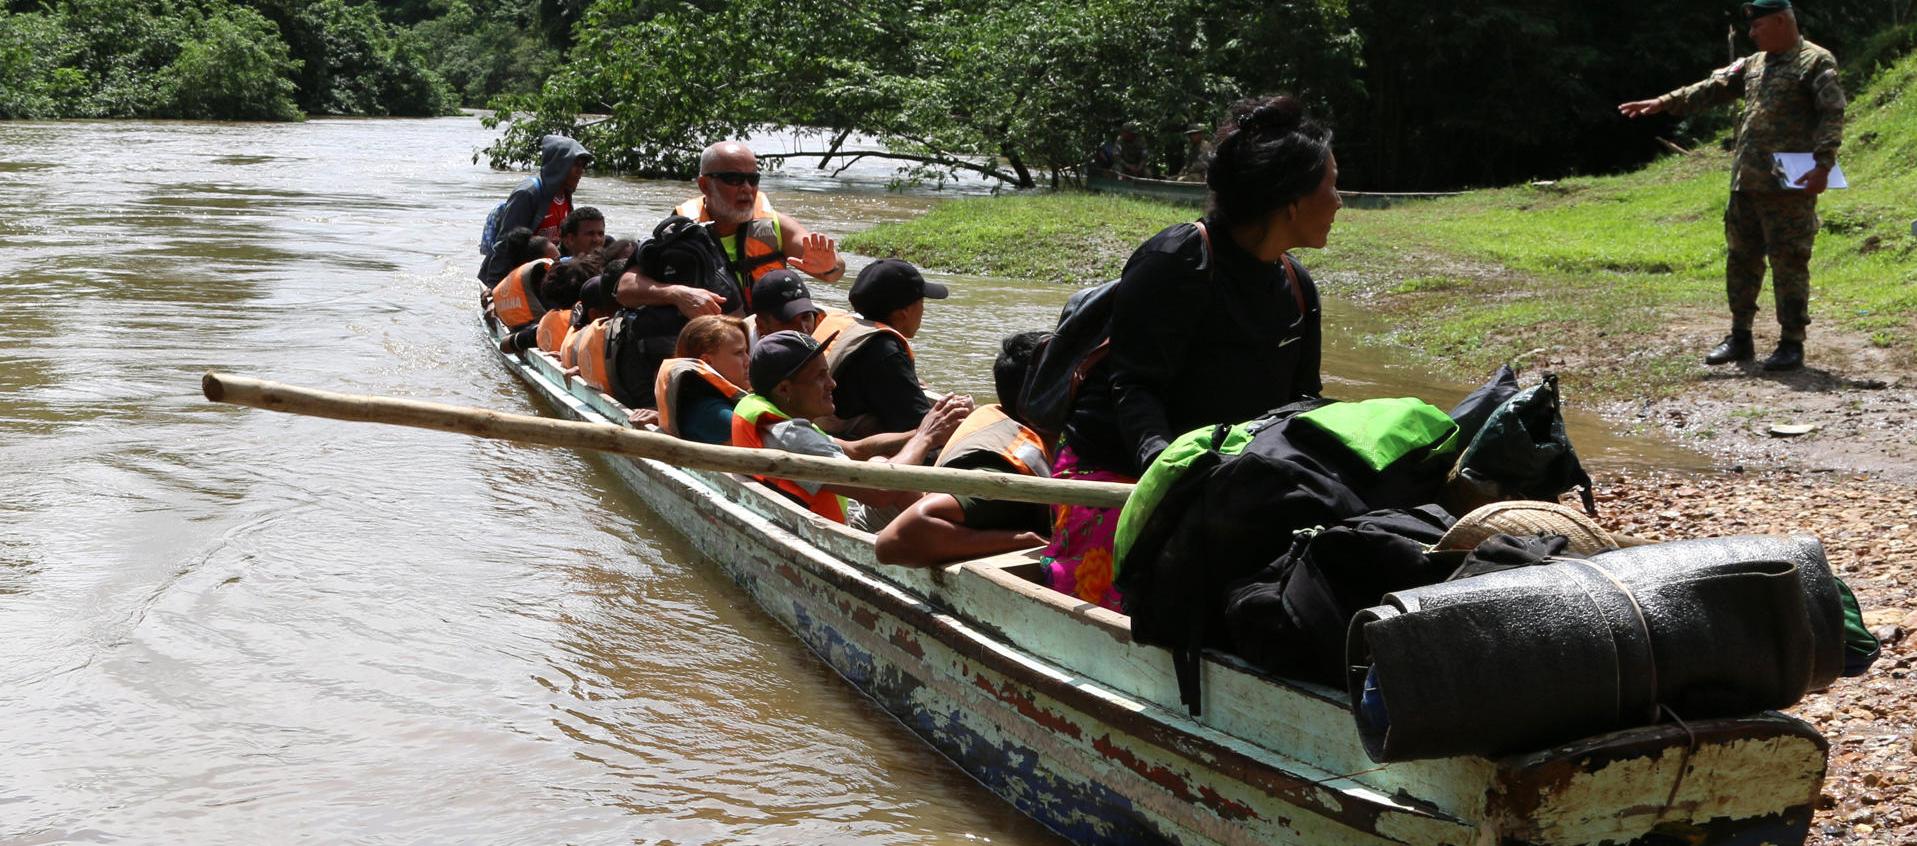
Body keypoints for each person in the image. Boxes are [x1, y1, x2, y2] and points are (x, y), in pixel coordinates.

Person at [1046, 94, 1336, 610]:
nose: (1339, 202)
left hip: (1226, 477)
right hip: (1122, 468)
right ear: (1290, 201)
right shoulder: (1178, 259)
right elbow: (1133, 385)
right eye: (1331, 187)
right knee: (1139, 601)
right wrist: (1166, 471)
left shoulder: (1296, 284)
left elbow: (1302, 400)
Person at [1618, 0, 1844, 372]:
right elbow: (1711, 87)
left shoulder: (1816, 61)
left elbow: (1831, 113)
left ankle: (1791, 343)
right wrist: (1662, 102)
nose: (1752, 33)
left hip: (1789, 185)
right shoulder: (1754, 64)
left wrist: (1823, 165)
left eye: (1758, 27)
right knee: (1741, 261)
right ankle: (1741, 336)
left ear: (1780, 21)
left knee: (1789, 262)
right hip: (1746, 183)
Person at [730, 331, 968, 530]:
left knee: (878, 461)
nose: (832, 384)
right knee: (897, 482)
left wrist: (926, 431)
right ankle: (958, 540)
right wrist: (926, 438)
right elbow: (882, 490)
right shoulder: (790, 437)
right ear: (784, 390)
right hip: (838, 533)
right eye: (820, 377)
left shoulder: (784, 414)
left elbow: (856, 450)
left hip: (846, 514)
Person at [875, 331, 1054, 567]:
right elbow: (895, 541)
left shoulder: (1013, 422)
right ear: (1039, 403)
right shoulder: (1002, 468)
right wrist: (1023, 541)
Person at [666, 140, 846, 303]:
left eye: (753, 179)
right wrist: (676, 293)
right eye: (734, 179)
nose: (746, 188)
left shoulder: (777, 226)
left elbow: (834, 273)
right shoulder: (679, 230)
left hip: (767, 328)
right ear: (704, 185)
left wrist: (829, 266)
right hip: (713, 331)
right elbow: (637, 283)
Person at [810, 259, 969, 437]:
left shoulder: (844, 324)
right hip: (842, 443)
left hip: (814, 425)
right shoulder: (884, 351)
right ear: (903, 313)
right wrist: (964, 413)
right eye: (921, 302)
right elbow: (920, 425)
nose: (923, 310)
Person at [479, 135, 591, 286]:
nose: (581, 172)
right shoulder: (528, 193)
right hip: (513, 275)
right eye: (576, 165)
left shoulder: (565, 195)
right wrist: (493, 287)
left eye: (583, 166)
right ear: (559, 165)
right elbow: (506, 243)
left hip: (541, 275)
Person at [653, 315, 751, 444]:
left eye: (746, 351)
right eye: (738, 353)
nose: (748, 361)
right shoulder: (712, 413)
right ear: (707, 362)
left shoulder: (694, 401)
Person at [750, 268, 826, 341]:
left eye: (806, 317)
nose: (803, 329)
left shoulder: (831, 336)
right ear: (761, 326)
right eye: (788, 321)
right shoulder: (742, 348)